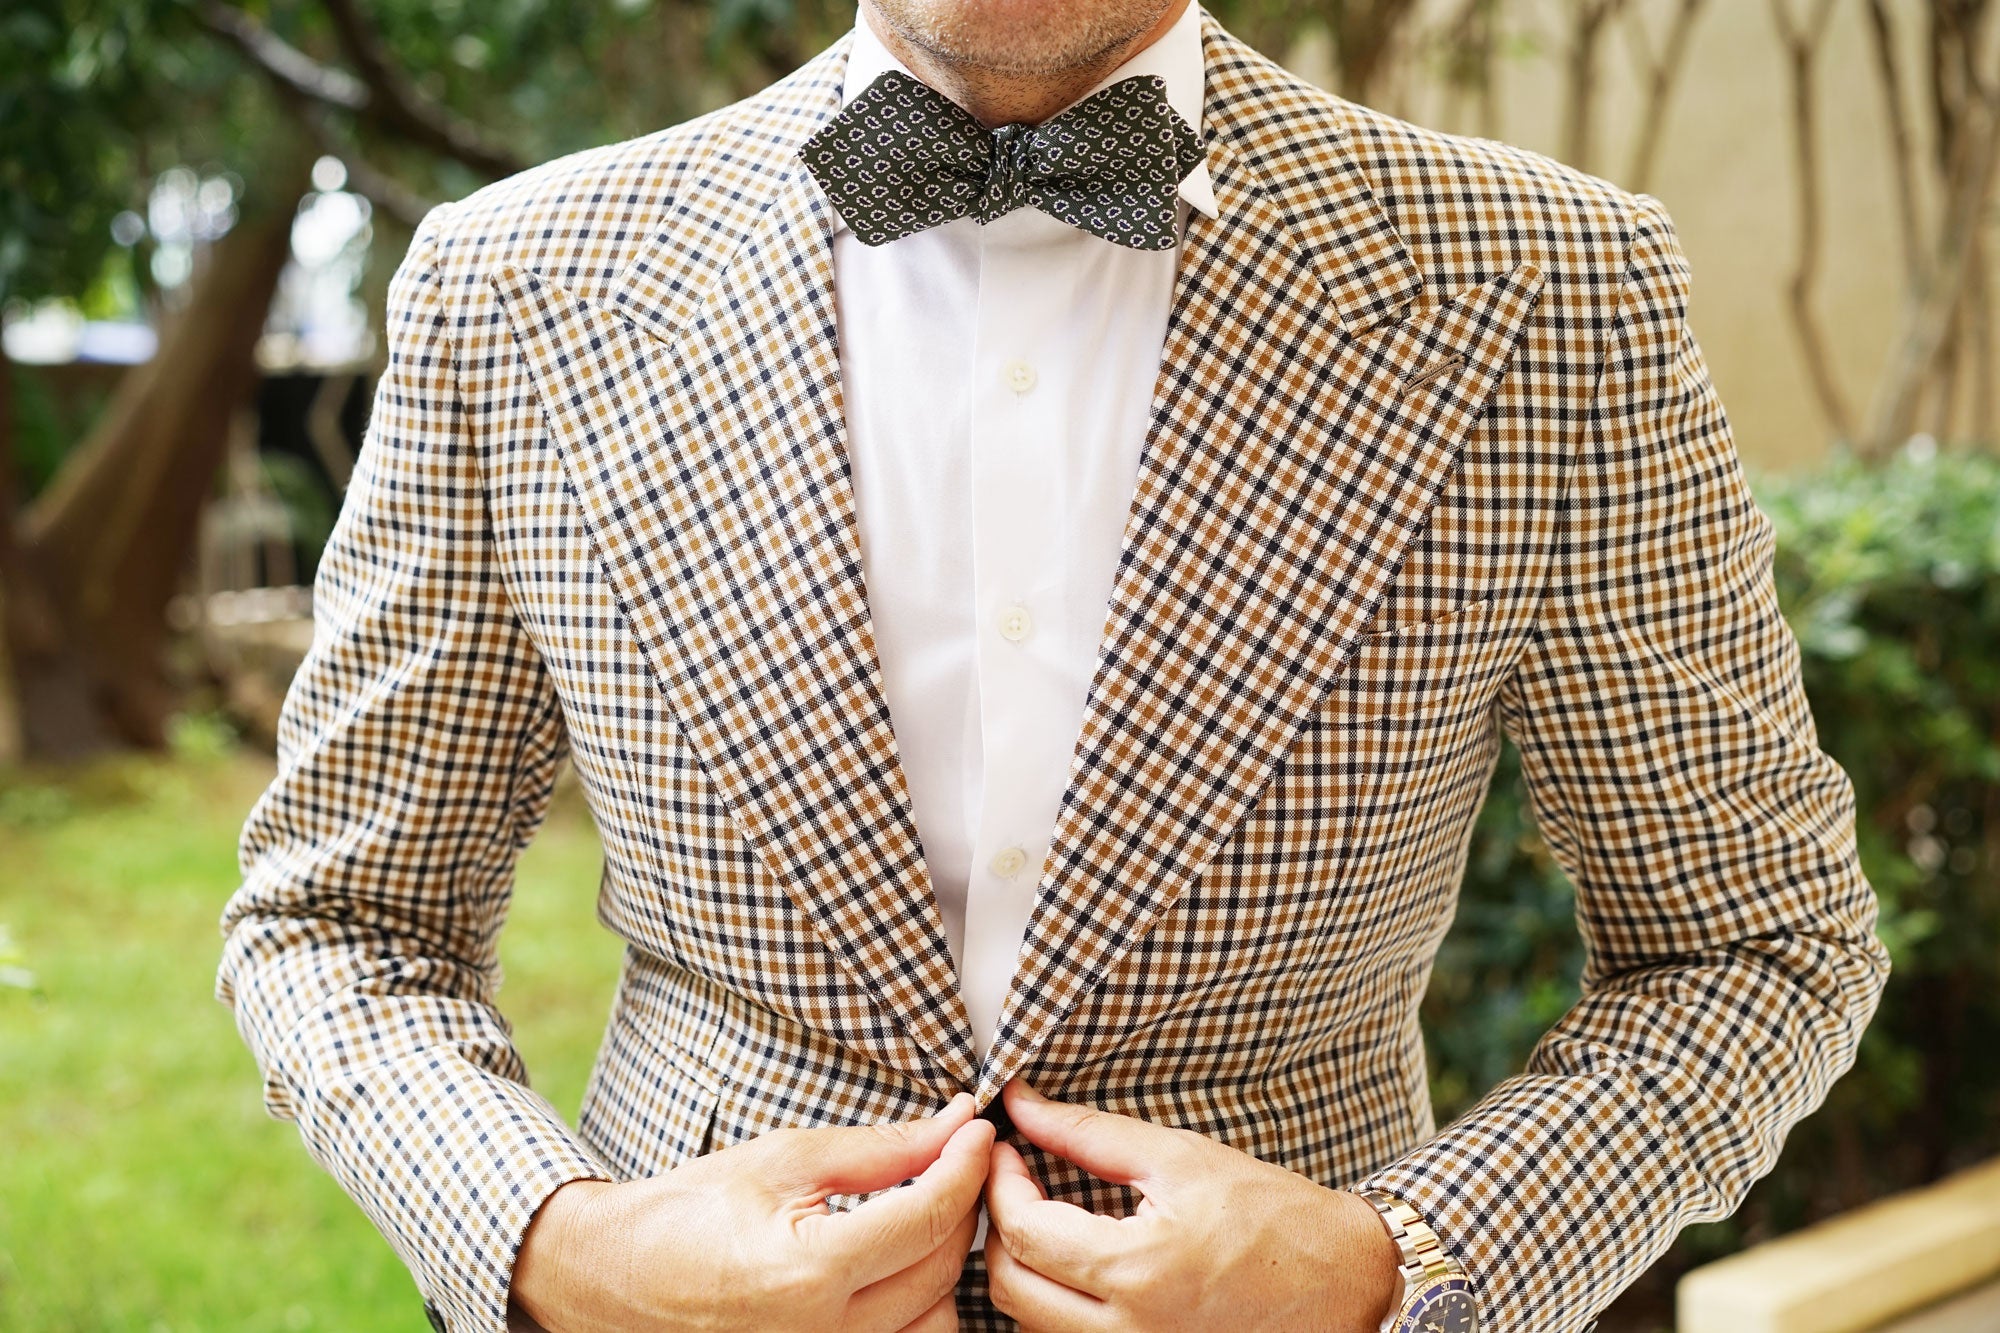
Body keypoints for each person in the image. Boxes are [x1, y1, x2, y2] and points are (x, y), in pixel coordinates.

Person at [215, 1, 1892, 1330]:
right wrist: (556, 1249)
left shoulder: (1549, 290)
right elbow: (340, 924)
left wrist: (1409, 1262)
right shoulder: (521, 284)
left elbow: (1756, 943)